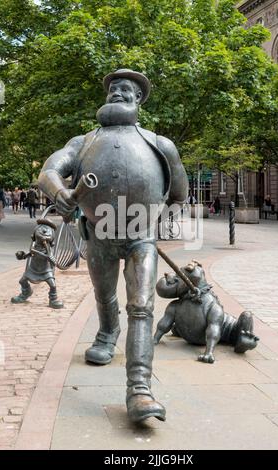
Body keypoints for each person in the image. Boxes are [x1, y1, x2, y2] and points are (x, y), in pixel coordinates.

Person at [38, 69, 188, 423]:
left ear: (139, 100)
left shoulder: (160, 144)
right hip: (99, 234)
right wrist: (60, 193)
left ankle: (140, 390)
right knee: (104, 293)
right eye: (114, 89)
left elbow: (179, 192)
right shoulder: (84, 141)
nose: (118, 93)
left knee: (142, 306)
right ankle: (107, 332)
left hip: (141, 237)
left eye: (127, 90)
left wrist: (152, 212)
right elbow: (49, 171)